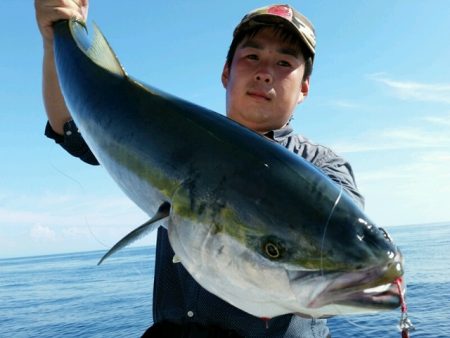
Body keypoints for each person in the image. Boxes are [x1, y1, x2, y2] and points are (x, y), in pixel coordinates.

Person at [35, 1, 364, 337]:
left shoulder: (324, 168)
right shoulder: (169, 138)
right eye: (252, 56)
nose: (265, 72)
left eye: (284, 62)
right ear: (226, 73)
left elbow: (342, 246)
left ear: (304, 87)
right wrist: (54, 36)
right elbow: (71, 126)